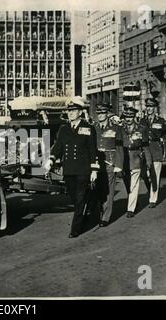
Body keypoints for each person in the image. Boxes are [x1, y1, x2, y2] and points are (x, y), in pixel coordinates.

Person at [48, 96, 99, 238]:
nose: (70, 113)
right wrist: (51, 160)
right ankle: (86, 209)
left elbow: (92, 150)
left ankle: (75, 229)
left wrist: (94, 169)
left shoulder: (88, 128)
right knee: (75, 199)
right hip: (69, 170)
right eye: (69, 111)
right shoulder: (63, 129)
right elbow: (58, 147)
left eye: (74, 111)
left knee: (80, 197)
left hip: (83, 170)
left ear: (80, 112)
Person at [93, 104, 124, 227]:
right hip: (96, 162)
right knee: (98, 189)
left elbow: (119, 147)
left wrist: (119, 164)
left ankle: (106, 217)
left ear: (107, 114)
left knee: (109, 190)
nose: (100, 115)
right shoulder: (93, 127)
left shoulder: (116, 128)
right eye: (98, 113)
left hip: (110, 162)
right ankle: (100, 211)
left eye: (102, 113)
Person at [139, 98, 166, 208]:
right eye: (147, 106)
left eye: (151, 107)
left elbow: (165, 137)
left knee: (155, 175)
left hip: (156, 150)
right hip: (144, 150)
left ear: (155, 108)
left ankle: (153, 199)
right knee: (144, 174)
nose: (149, 109)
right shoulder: (142, 121)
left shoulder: (160, 121)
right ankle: (151, 189)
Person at [122, 107, 152, 218]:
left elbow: (145, 146)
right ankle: (134, 202)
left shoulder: (141, 129)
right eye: (126, 116)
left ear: (134, 116)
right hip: (124, 159)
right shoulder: (121, 128)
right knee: (127, 184)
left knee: (134, 185)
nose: (128, 119)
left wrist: (148, 161)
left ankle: (130, 209)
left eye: (130, 116)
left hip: (136, 159)